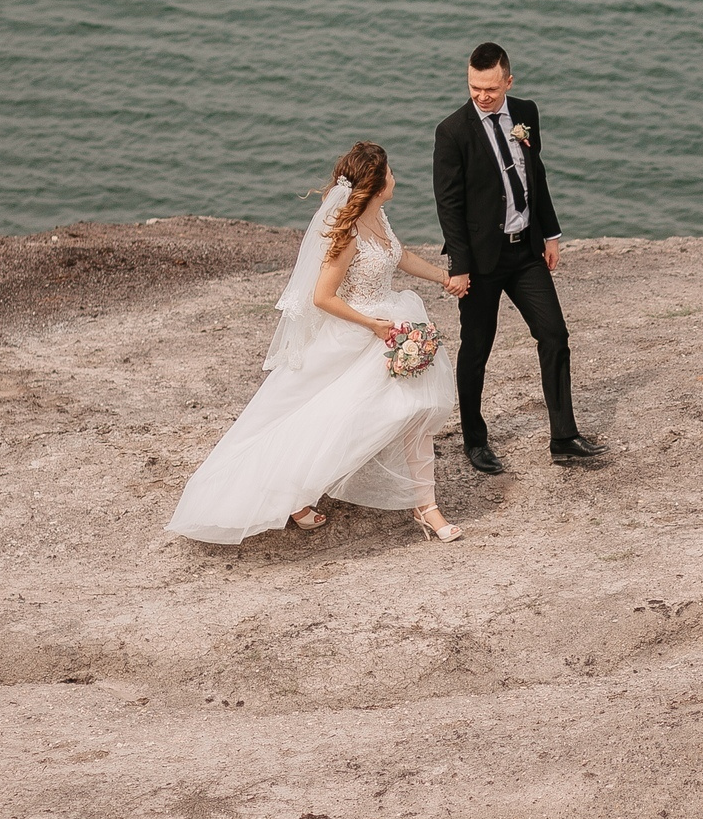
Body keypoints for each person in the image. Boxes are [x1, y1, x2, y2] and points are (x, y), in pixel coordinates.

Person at [167, 141, 465, 545]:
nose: (395, 177)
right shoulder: (349, 233)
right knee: (329, 424)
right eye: (389, 173)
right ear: (376, 185)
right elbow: (323, 297)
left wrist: (443, 278)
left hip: (395, 320)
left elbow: (400, 256)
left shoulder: (379, 217)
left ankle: (425, 505)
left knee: (416, 412)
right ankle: (288, 494)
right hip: (361, 333)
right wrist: (374, 325)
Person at [432, 43, 604, 473]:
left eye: (490, 88)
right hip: (481, 261)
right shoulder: (452, 132)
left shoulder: (526, 112)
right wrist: (460, 265)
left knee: (555, 335)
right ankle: (475, 441)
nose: (482, 96)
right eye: (474, 87)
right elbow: (448, 205)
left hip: (526, 251)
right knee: (476, 350)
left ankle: (563, 436)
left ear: (509, 81)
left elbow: (535, 175)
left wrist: (550, 233)